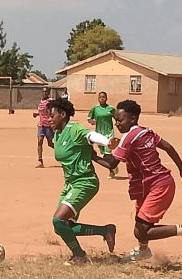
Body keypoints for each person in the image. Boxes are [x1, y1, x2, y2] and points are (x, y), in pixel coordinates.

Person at [94, 99, 182, 262]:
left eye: (121, 120)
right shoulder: (146, 131)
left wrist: (91, 155)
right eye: (116, 120)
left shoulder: (129, 137)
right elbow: (168, 147)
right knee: (141, 225)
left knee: (141, 231)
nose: (117, 123)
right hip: (149, 185)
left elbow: (111, 163)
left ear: (133, 119)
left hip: (158, 185)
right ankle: (143, 250)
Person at [47, 97, 116, 265]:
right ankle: (106, 230)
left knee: (58, 220)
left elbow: (91, 135)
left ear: (62, 115)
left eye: (52, 115)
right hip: (70, 184)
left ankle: (79, 256)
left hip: (85, 182)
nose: (49, 119)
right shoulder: (58, 132)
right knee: (62, 227)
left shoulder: (74, 129)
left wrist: (107, 142)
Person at [87, 91, 118, 179]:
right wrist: (92, 121)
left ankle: (111, 171)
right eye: (100, 97)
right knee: (103, 154)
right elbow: (89, 118)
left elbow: (117, 117)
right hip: (99, 134)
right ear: (98, 98)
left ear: (106, 98)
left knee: (107, 153)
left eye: (103, 97)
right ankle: (114, 165)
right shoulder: (95, 109)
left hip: (109, 133)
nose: (102, 98)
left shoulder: (110, 108)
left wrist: (117, 122)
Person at [33, 87, 54, 168]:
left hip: (48, 125)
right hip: (41, 125)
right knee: (40, 141)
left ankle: (61, 152)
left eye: (46, 92)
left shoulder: (50, 101)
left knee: (50, 143)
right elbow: (42, 112)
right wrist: (37, 114)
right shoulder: (41, 102)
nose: (44, 93)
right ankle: (40, 161)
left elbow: (52, 111)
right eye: (43, 92)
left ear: (48, 93)